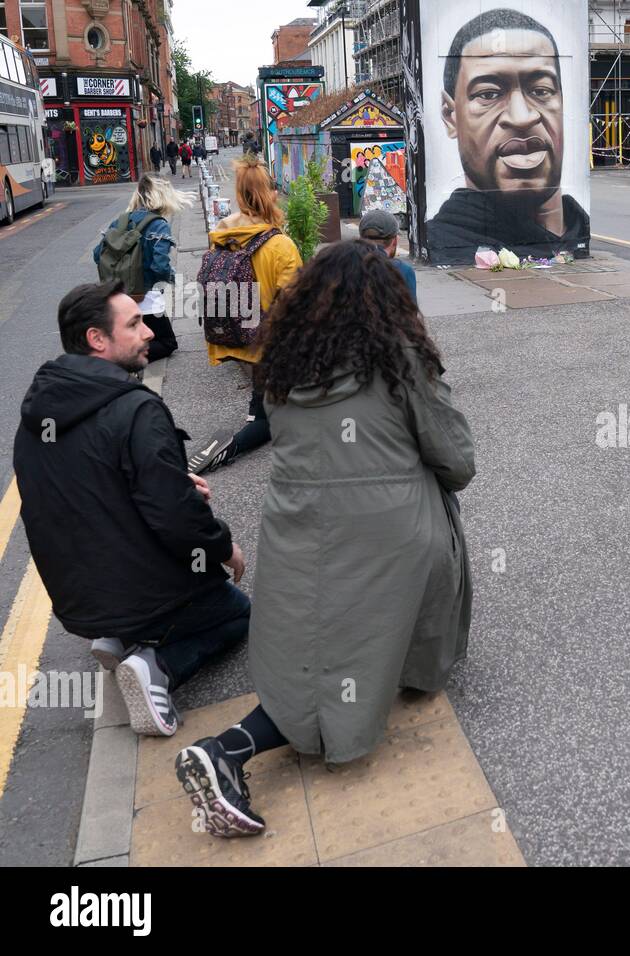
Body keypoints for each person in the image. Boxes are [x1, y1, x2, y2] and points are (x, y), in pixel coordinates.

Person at [174, 241, 475, 837]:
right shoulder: (401, 356)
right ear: (387, 301)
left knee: (310, 646)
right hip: (388, 528)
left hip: (297, 522)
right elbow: (456, 461)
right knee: (419, 562)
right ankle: (404, 674)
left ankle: (229, 749)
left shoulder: (281, 363)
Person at [12, 281, 248, 737]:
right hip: (136, 593)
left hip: (77, 602)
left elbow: (89, 488)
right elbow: (176, 517)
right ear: (97, 340)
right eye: (134, 323)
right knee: (238, 614)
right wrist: (224, 548)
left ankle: (118, 637)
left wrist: (169, 482)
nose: (147, 333)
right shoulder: (135, 410)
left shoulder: (39, 413)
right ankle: (155, 663)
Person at [427, 8, 591, 265]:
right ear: (450, 115)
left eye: (541, 90)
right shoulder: (442, 241)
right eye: (489, 94)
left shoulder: (581, 228)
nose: (521, 117)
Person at [188, 156, 303, 475]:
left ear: (239, 196)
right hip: (268, 344)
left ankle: (258, 409)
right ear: (272, 195)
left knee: (262, 392)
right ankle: (234, 445)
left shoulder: (222, 238)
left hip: (233, 336)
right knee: (271, 420)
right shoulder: (280, 245)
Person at [93, 173, 192, 362]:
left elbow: (97, 255)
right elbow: (160, 266)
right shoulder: (158, 225)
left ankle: (117, 352)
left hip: (119, 295)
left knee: (137, 335)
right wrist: (170, 280)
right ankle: (118, 358)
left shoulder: (121, 221)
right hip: (147, 298)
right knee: (167, 343)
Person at [358, 208, 419, 301]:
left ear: (360, 239)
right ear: (394, 241)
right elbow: (410, 311)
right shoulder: (403, 270)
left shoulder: (342, 268)